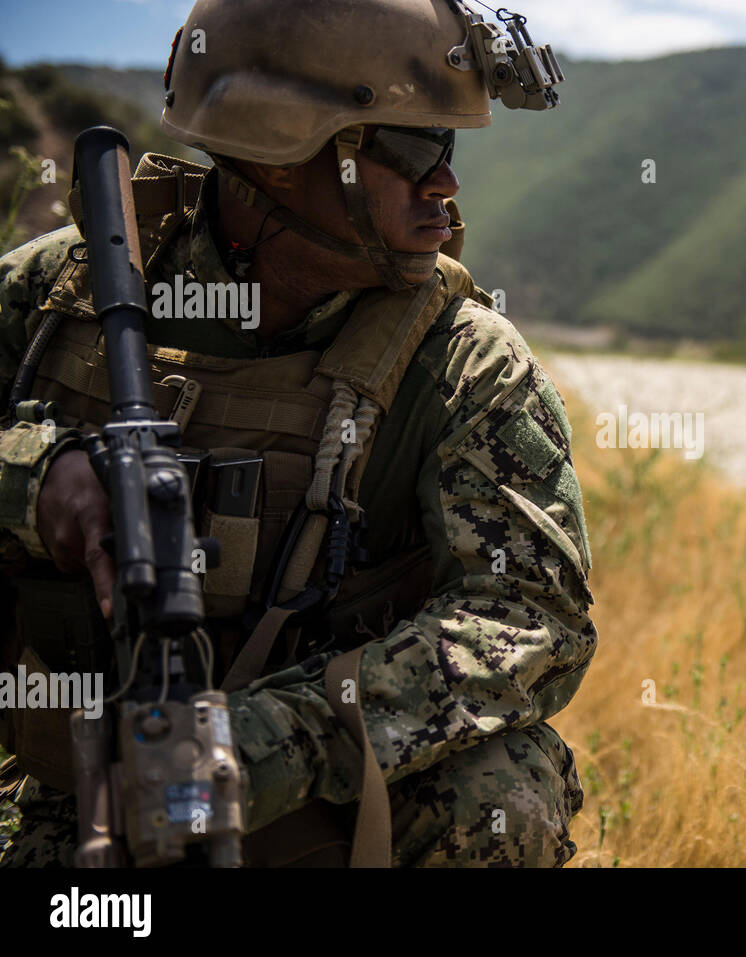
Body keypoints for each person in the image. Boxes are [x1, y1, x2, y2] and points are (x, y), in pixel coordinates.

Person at [0, 0, 594, 868]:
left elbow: (531, 616)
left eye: (450, 147)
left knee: (495, 793)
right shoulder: (57, 295)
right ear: (280, 155)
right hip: (68, 782)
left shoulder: (461, 361)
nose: (446, 185)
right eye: (416, 147)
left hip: (314, 792)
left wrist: (266, 743)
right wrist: (36, 479)